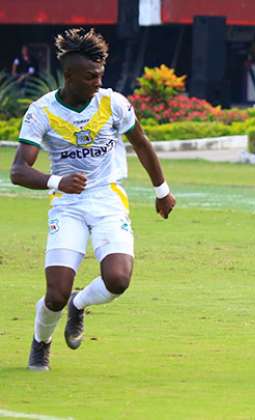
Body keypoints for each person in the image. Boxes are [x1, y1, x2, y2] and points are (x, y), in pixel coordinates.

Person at [10, 28, 176, 371]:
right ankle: (41, 343)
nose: (98, 83)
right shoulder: (41, 111)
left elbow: (142, 144)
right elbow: (18, 171)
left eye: (100, 75)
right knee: (54, 294)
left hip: (107, 199)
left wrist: (162, 191)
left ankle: (80, 304)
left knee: (118, 280)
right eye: (90, 77)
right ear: (69, 76)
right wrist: (57, 181)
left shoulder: (113, 103)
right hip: (67, 204)